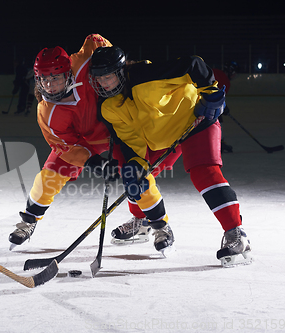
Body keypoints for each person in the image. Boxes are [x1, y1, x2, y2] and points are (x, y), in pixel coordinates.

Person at [89, 46, 252, 265]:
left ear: (120, 71)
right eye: (99, 79)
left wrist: (210, 91)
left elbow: (194, 64)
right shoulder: (108, 106)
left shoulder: (148, 75)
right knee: (138, 179)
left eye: (108, 76)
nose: (103, 83)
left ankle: (236, 234)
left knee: (204, 172)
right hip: (163, 139)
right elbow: (131, 142)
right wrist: (136, 166)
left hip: (195, 122)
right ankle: (143, 221)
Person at [8, 34, 128, 250]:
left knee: (136, 173)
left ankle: (149, 221)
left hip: (116, 131)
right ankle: (29, 221)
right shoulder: (46, 110)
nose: (49, 85)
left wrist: (109, 64)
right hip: (82, 142)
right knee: (49, 176)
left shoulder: (82, 65)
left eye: (55, 78)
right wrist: (95, 164)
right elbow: (65, 146)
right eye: (44, 79)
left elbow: (95, 39)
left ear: (68, 73)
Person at [213, 61, 238, 153]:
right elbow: (218, 97)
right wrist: (224, 107)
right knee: (217, 119)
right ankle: (218, 143)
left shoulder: (216, 72)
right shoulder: (225, 81)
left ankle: (218, 142)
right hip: (207, 101)